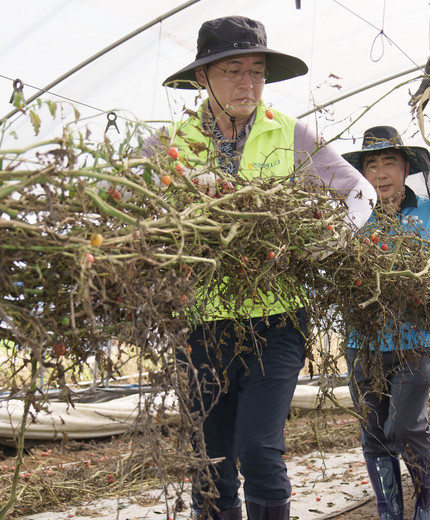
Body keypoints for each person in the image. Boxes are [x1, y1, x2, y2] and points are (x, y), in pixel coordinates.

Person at [162, 16, 378, 520]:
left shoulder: (289, 133)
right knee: (209, 462)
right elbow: (132, 205)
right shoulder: (173, 143)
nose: (248, 83)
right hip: (201, 323)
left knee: (259, 448)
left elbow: (359, 192)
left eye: (257, 70)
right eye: (233, 70)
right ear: (203, 77)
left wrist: (328, 242)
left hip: (276, 319)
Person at [341, 126, 430, 520]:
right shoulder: (353, 215)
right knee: (373, 431)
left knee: (404, 427)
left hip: (415, 344)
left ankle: (426, 501)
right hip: (362, 344)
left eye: (389, 163)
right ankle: (389, 511)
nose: (381, 173)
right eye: (372, 165)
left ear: (406, 168)